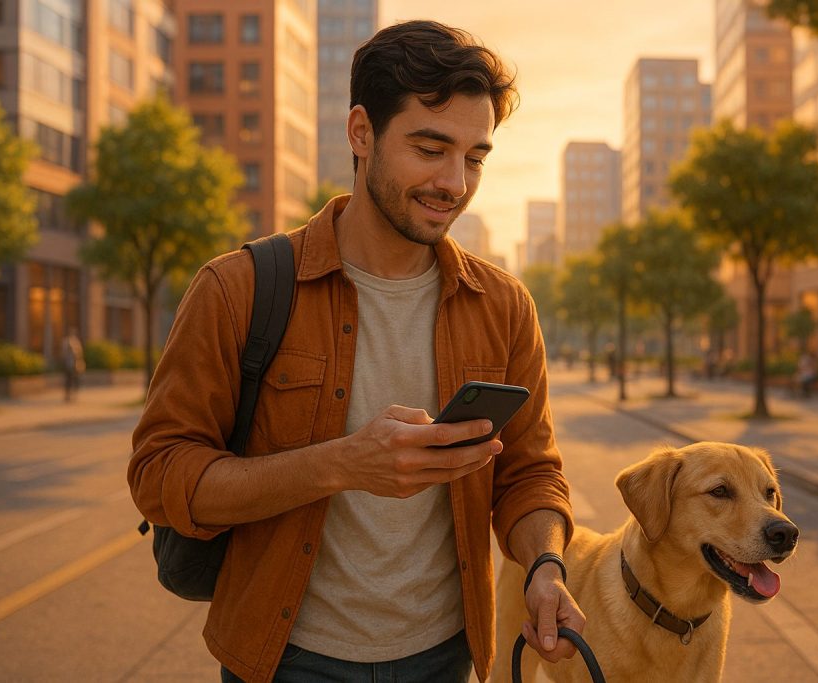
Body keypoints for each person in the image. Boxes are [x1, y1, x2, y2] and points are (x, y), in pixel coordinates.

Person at [129, 20, 583, 683]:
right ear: (361, 133)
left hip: (445, 656)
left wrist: (545, 566)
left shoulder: (504, 306)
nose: (455, 182)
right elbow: (160, 474)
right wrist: (340, 464)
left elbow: (530, 475)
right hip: (285, 659)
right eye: (430, 148)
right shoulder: (238, 288)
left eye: (475, 157)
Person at [61, 327, 85, 402]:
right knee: (69, 380)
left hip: (74, 365)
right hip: (69, 364)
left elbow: (79, 353)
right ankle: (68, 395)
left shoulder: (76, 342)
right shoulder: (66, 342)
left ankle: (73, 394)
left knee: (74, 380)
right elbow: (64, 354)